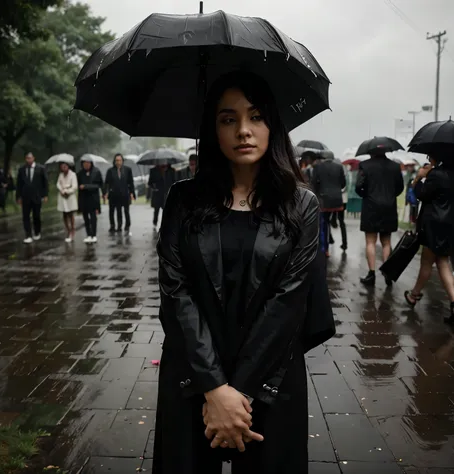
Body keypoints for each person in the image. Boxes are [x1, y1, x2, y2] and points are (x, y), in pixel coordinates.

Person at [154, 71, 333, 474]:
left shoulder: (299, 205)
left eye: (256, 117)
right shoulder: (183, 199)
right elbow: (175, 293)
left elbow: (288, 303)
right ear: (213, 129)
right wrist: (214, 389)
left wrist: (239, 395)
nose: (244, 131)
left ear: (273, 124)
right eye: (228, 119)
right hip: (194, 373)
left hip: (270, 378)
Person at [404, 155, 454, 324]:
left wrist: (419, 177)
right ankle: (414, 294)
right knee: (441, 262)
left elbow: (422, 195)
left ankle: (414, 295)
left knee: (428, 262)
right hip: (449, 224)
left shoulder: (436, 175)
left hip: (434, 225)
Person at [356, 150, 404, 286]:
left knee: (370, 241)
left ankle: (371, 274)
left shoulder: (364, 165)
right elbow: (400, 187)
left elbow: (359, 186)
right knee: (386, 242)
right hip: (389, 207)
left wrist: (366, 194)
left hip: (371, 207)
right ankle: (387, 273)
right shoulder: (395, 166)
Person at [311, 154, 346, 255]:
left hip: (324, 199)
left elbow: (314, 183)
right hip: (337, 199)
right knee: (342, 222)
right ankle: (345, 243)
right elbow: (343, 183)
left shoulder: (318, 167)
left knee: (324, 225)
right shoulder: (339, 167)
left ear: (323, 158)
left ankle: (325, 249)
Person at [16, 152, 49, 244]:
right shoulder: (22, 169)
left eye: (30, 158)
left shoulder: (40, 168)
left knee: (36, 215)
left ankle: (37, 232)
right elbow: (19, 184)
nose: (28, 160)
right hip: (25, 196)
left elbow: (45, 183)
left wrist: (45, 195)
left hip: (37, 196)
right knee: (25, 216)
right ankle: (28, 234)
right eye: (27, 158)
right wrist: (18, 196)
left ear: (33, 158)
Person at [104, 153, 135, 235]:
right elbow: (107, 183)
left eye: (120, 160)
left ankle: (127, 225)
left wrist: (132, 193)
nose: (118, 162)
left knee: (126, 211)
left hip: (125, 194)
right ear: (114, 161)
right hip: (114, 194)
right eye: (117, 160)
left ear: (122, 161)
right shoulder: (110, 171)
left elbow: (131, 182)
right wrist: (106, 193)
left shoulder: (127, 170)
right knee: (117, 211)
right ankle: (118, 226)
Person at [77, 156, 103, 243]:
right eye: (84, 163)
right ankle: (88, 234)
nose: (86, 165)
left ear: (91, 163)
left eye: (88, 163)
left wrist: (86, 186)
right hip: (84, 198)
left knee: (93, 217)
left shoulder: (96, 172)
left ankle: (94, 235)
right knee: (85, 217)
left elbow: (98, 185)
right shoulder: (80, 173)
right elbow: (78, 185)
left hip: (93, 198)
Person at [56, 162, 78, 242]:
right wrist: (61, 189)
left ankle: (72, 229)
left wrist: (67, 191)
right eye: (62, 167)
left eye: (65, 166)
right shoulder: (61, 175)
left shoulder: (73, 175)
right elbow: (58, 183)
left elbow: (75, 186)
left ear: (68, 167)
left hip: (69, 196)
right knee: (64, 214)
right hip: (62, 196)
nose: (63, 168)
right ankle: (68, 230)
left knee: (70, 213)